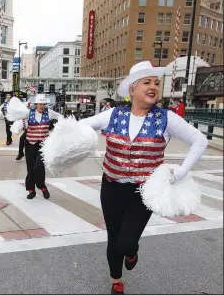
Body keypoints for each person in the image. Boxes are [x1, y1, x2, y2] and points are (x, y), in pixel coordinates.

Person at [77, 61, 208, 294]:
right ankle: (116, 280)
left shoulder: (166, 118)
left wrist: (181, 171)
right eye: (147, 82)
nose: (153, 87)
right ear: (132, 90)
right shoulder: (113, 115)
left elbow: (200, 140)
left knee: (125, 242)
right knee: (113, 237)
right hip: (112, 187)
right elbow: (79, 129)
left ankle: (132, 250)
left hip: (145, 191)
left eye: (156, 83)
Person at [24, 94, 63, 200]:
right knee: (31, 167)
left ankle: (43, 187)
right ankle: (31, 190)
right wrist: (17, 127)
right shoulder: (29, 113)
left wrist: (60, 129)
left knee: (39, 167)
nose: (42, 106)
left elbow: (61, 117)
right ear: (36, 104)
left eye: (44, 104)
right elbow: (19, 119)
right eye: (40, 104)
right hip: (30, 144)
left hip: (43, 145)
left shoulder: (49, 112)